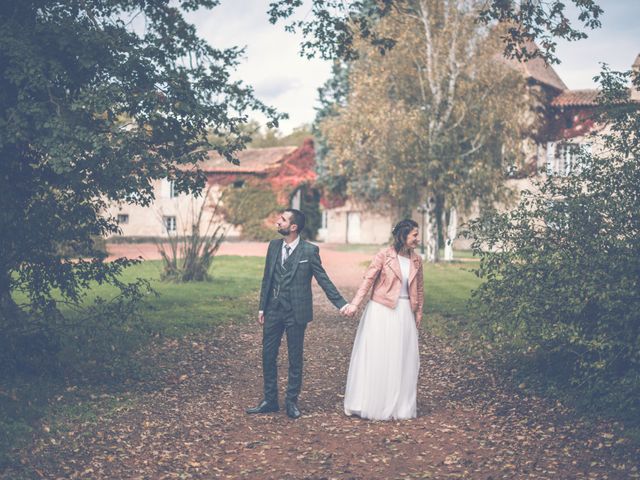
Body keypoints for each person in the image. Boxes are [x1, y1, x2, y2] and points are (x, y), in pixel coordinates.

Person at [246, 209, 351, 419]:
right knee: (268, 355)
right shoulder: (274, 246)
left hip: (296, 312)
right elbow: (267, 278)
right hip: (273, 310)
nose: (278, 221)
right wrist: (262, 307)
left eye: (282, 220)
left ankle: (291, 401)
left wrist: (341, 304)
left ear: (293, 227)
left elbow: (323, 279)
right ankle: (270, 400)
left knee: (295, 357)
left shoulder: (309, 251)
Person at [342, 219, 424, 420]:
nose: (417, 239)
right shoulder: (383, 256)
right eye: (414, 235)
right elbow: (368, 280)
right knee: (379, 356)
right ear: (403, 236)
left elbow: (419, 289)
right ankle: (370, 403)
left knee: (401, 359)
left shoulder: (416, 260)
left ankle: (398, 406)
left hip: (405, 312)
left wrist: (418, 313)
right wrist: (355, 304)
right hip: (381, 311)